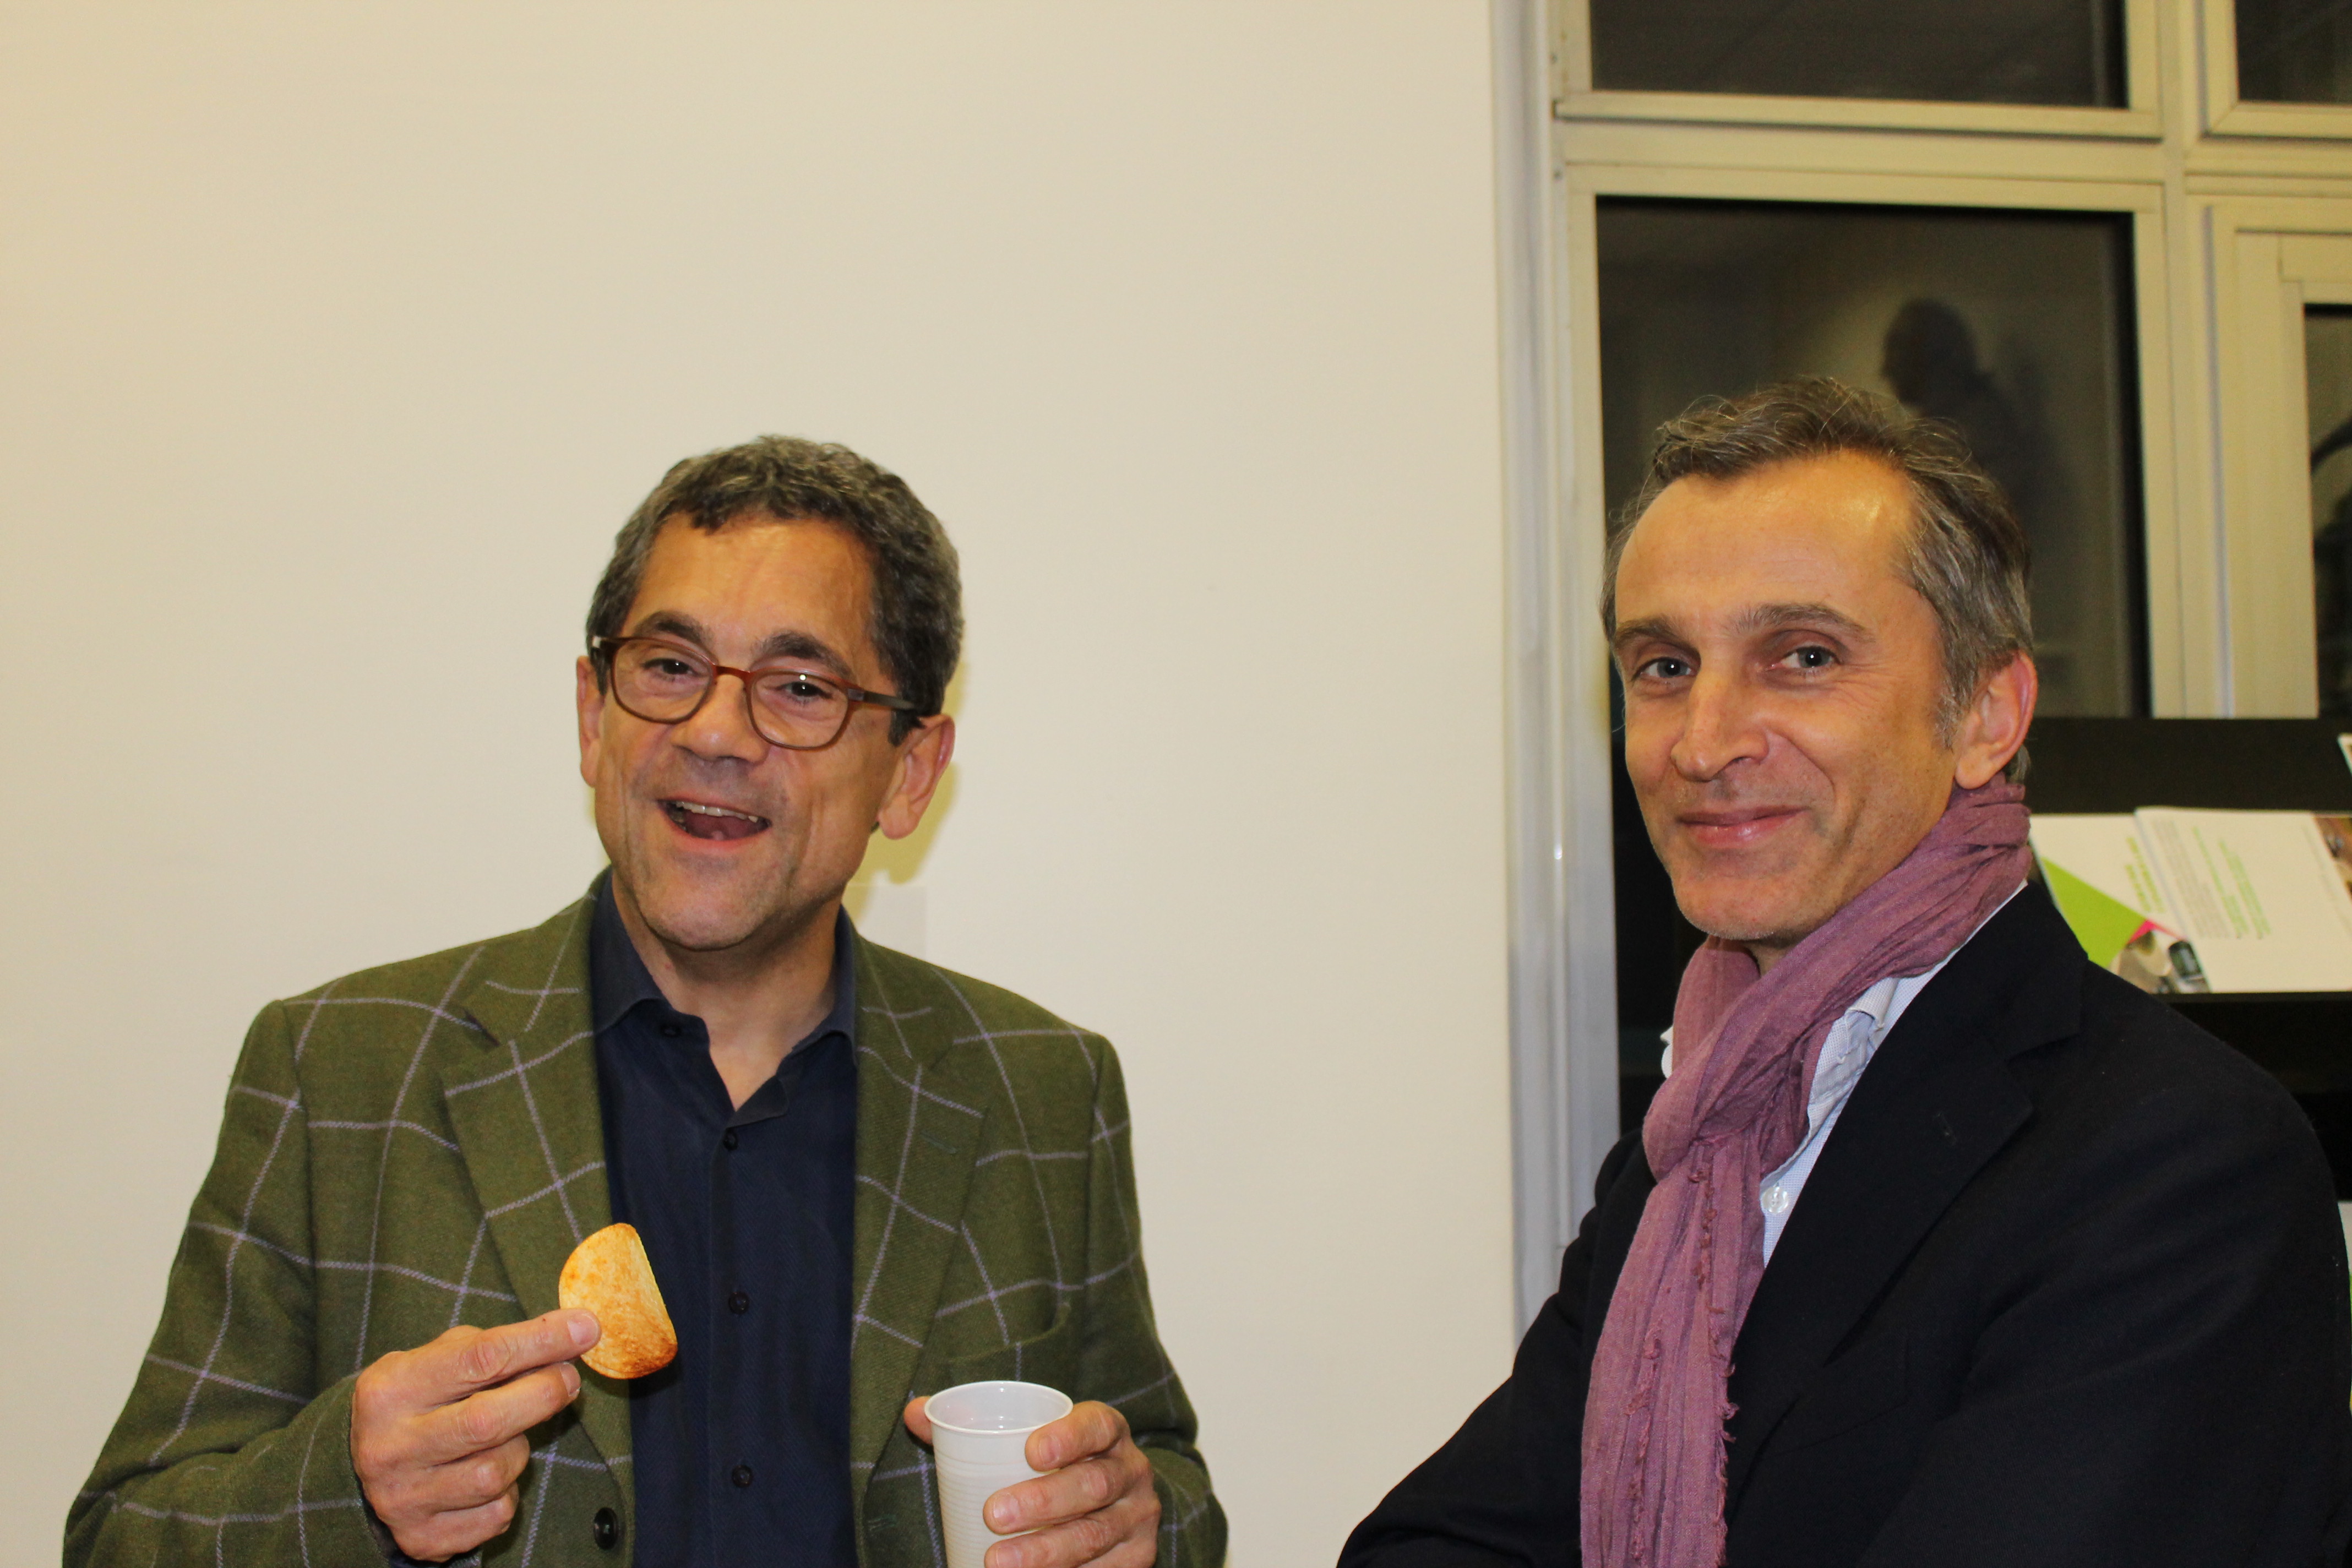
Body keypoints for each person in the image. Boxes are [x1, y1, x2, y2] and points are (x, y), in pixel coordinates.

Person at [69, 438, 1223, 1568]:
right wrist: (348, 1492)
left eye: (800, 687)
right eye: (670, 666)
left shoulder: (1047, 1092)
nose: (714, 733)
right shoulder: (336, 1071)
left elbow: (1163, 1486)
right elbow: (121, 1535)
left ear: (910, 770)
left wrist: (1137, 1523)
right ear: (592, 714)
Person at [1342, 378, 2351, 1567]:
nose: (1704, 741)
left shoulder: (2177, 1162)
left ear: (1986, 713)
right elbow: (1437, 1540)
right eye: (1663, 665)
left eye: (1804, 656)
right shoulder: (1701, 1134)